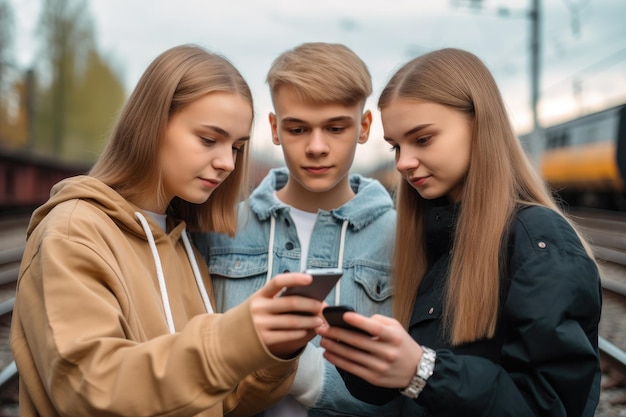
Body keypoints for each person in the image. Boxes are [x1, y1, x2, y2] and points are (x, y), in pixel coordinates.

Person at [10, 44, 327, 417]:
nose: (227, 162)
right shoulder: (74, 231)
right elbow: (89, 389)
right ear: (153, 125)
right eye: (209, 139)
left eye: (237, 147)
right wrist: (230, 340)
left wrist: (275, 352)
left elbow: (219, 404)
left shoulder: (184, 245)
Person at [317, 47, 603, 417]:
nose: (403, 162)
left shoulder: (537, 241)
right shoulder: (435, 235)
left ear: (479, 124)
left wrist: (423, 372)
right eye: (396, 146)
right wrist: (364, 359)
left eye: (422, 140)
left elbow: (551, 406)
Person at [194, 42, 404, 416]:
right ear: (274, 129)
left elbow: (405, 393)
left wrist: (302, 372)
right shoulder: (220, 229)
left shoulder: (401, 239)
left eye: (336, 127)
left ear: (365, 127)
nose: (317, 147)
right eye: (297, 129)